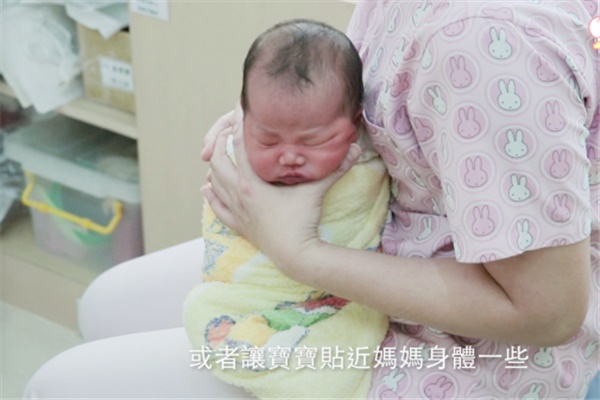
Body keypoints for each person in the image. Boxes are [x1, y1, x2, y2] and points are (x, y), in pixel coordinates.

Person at [24, 1, 599, 399]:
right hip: (376, 233)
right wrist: (273, 123)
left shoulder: (484, 40)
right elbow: (362, 84)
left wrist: (299, 253)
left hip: (472, 351)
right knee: (105, 303)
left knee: (58, 385)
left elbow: (549, 312)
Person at [183, 19, 390, 399]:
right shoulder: (237, 149)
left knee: (332, 358)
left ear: (356, 123)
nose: (290, 156)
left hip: (335, 293)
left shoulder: (367, 155)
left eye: (314, 141)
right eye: (268, 139)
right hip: (253, 289)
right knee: (204, 315)